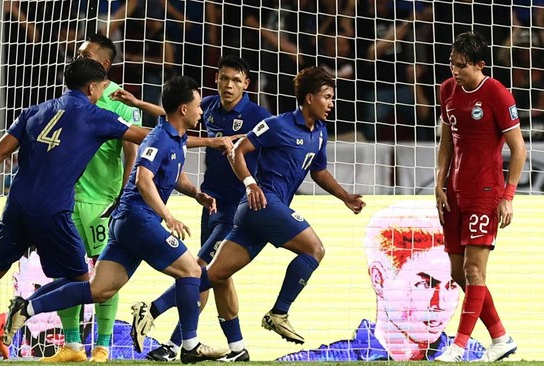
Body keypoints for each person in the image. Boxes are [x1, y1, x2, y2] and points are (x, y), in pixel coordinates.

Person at [0, 57, 149, 364]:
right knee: (88, 284)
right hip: (52, 212)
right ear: (93, 87)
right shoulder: (97, 116)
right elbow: (149, 136)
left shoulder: (33, 112)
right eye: (103, 86)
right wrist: (189, 131)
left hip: (16, 209)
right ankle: (24, 310)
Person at [132, 66, 365, 355]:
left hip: (251, 211)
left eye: (332, 98)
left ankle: (153, 311)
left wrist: (344, 196)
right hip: (259, 203)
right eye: (327, 97)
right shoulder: (276, 124)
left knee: (212, 275)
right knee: (314, 249)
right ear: (308, 98)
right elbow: (235, 148)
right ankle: (278, 313)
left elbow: (318, 171)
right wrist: (251, 183)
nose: (332, 103)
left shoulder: (318, 132)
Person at [1, 76, 230, 364]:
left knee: (100, 289)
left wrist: (197, 194)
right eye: (198, 105)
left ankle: (27, 309)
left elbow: (174, 173)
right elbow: (145, 180)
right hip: (137, 219)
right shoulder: (158, 138)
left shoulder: (176, 137)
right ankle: (188, 344)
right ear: (183, 109)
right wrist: (168, 216)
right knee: (192, 272)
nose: (202, 111)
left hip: (128, 222)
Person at [0, 34, 144, 363]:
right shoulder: (73, 99)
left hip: (102, 202)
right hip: (65, 200)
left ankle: (103, 345)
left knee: (104, 274)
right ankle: (71, 345)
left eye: (86, 54)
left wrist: (124, 194)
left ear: (104, 64)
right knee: (67, 272)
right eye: (78, 52)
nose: (77, 57)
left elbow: (133, 149)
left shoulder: (119, 100)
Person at [117, 55, 271, 362]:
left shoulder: (257, 116)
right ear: (216, 79)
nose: (229, 85)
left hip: (237, 210)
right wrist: (140, 103)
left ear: (247, 85)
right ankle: (238, 348)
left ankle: (162, 325)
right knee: (218, 276)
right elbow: (174, 115)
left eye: (237, 81)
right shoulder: (208, 107)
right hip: (210, 203)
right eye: (225, 78)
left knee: (199, 270)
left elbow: (277, 142)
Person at [277, 202, 485, 361]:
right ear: (379, 279)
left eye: (451, 285)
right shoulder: (324, 360)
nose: (439, 303)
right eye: (425, 284)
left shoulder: (475, 356)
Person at [434, 31, 526, 362]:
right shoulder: (446, 90)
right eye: (451, 64)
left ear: (479, 65)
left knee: (474, 271)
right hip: (455, 193)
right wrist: (439, 182)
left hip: (485, 192)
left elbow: (519, 150)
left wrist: (508, 195)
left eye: (461, 66)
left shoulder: (497, 94)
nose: (455, 71)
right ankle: (501, 338)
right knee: (459, 274)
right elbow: (446, 141)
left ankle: (458, 346)